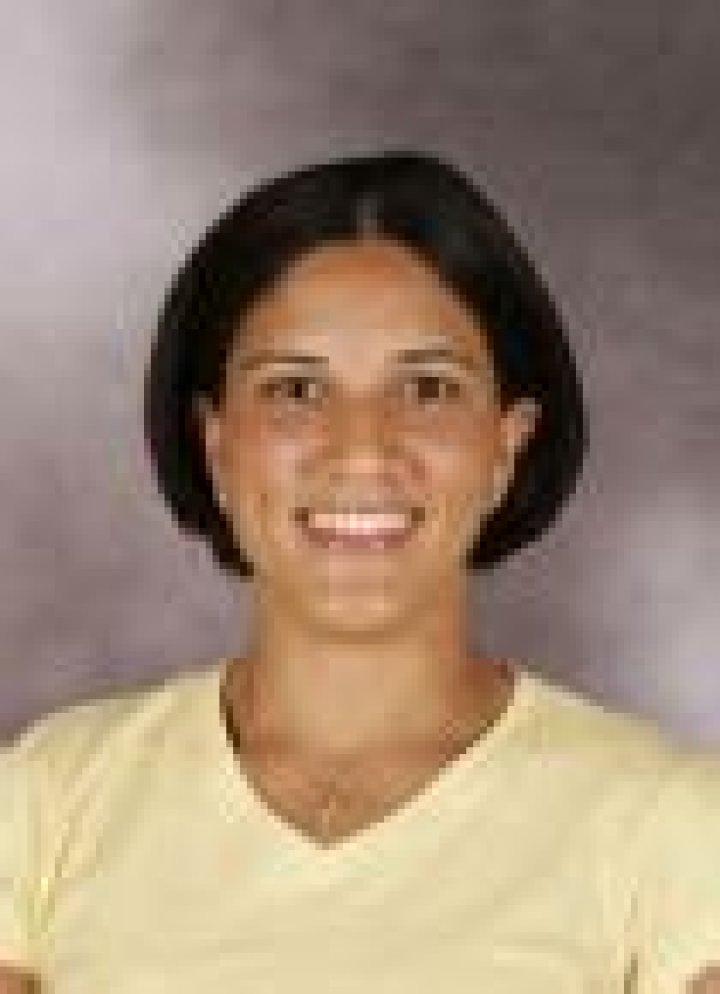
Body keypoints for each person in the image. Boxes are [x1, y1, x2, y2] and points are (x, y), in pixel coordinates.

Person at [1, 151, 718, 993]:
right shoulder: (46, 802)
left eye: (428, 388)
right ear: (217, 444)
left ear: (506, 445)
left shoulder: (669, 826)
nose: (363, 449)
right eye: (295, 391)